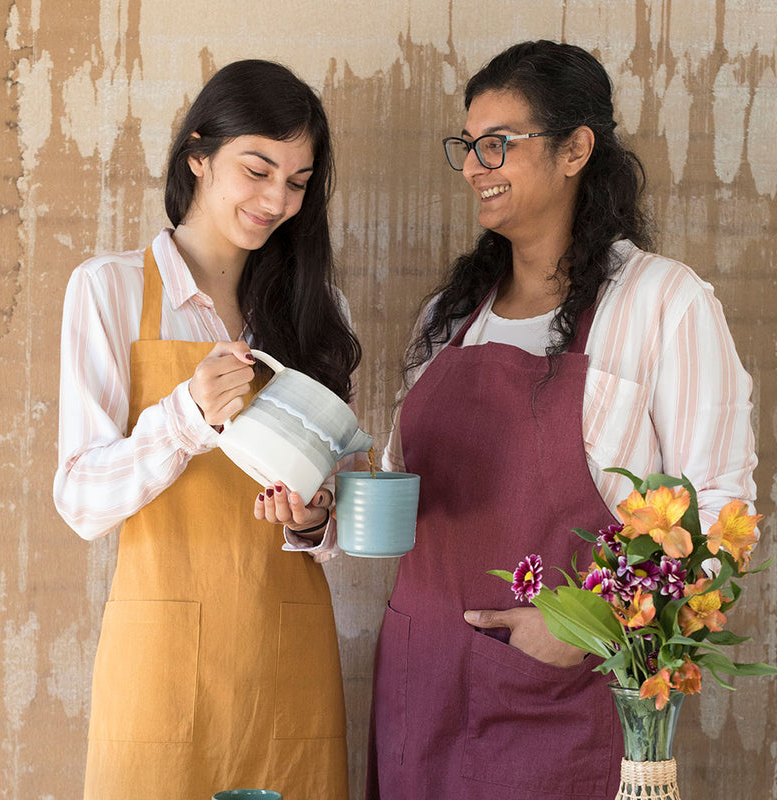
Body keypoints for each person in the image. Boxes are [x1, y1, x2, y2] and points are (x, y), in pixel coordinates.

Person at [366, 40, 757, 800]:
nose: (475, 166)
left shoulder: (660, 304)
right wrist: (328, 508)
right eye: (469, 146)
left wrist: (593, 626)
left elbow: (722, 514)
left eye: (498, 144)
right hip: (422, 693)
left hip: (561, 704)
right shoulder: (447, 321)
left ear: (577, 148)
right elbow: (401, 495)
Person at [53, 60, 361, 800]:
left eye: (297, 181)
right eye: (257, 170)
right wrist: (186, 417)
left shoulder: (321, 315)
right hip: (161, 663)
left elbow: (344, 504)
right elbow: (81, 499)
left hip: (286, 652)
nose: (276, 200)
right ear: (198, 154)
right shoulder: (111, 289)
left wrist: (316, 519)